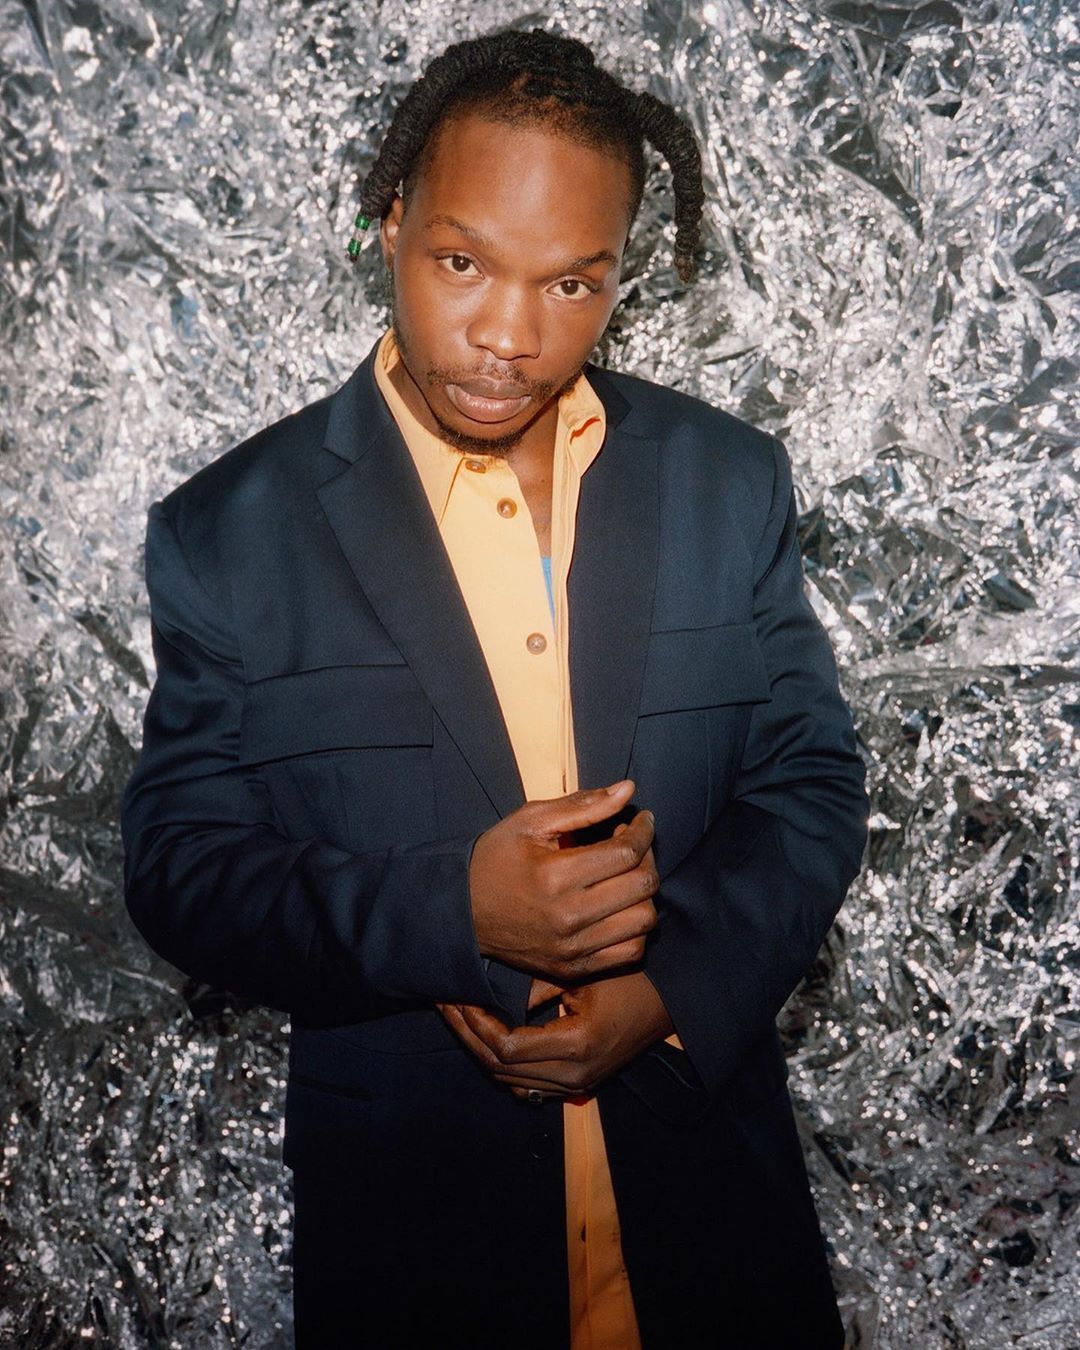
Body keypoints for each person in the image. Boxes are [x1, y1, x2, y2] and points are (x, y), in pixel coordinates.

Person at [121, 26, 867, 1350]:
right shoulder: (228, 532)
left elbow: (808, 785)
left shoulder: (728, 480)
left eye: (571, 282)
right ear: (391, 222)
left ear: (619, 275)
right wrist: (455, 910)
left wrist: (667, 996)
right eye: (462, 263)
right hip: (419, 1254)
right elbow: (181, 868)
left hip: (717, 1240)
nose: (511, 336)